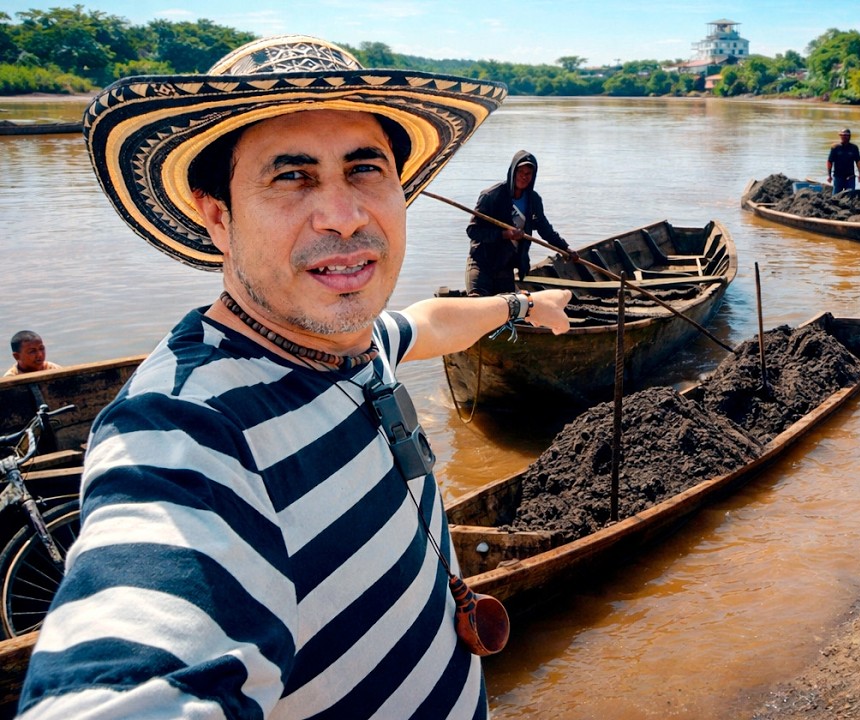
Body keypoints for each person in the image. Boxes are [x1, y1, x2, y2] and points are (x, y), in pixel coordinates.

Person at [18, 35, 572, 719]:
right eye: (291, 177)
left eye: (364, 169)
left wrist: (524, 306)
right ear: (217, 216)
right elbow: (135, 665)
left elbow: (428, 323)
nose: (344, 216)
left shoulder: (357, 346)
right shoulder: (189, 432)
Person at [465, 150, 577, 296]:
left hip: (505, 264)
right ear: (513, 172)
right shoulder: (491, 196)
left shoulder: (533, 200)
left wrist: (565, 248)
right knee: (477, 302)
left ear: (533, 176)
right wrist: (504, 234)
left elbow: (545, 229)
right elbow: (473, 231)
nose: (524, 177)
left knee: (506, 307)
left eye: (528, 173)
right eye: (520, 172)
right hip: (482, 262)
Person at [826, 128, 860, 195]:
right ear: (840, 136)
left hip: (850, 177)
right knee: (836, 196)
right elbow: (829, 162)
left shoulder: (854, 148)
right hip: (838, 176)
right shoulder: (835, 147)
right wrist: (829, 175)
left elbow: (858, 162)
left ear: (849, 136)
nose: (844, 137)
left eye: (846, 135)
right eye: (842, 135)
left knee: (850, 196)